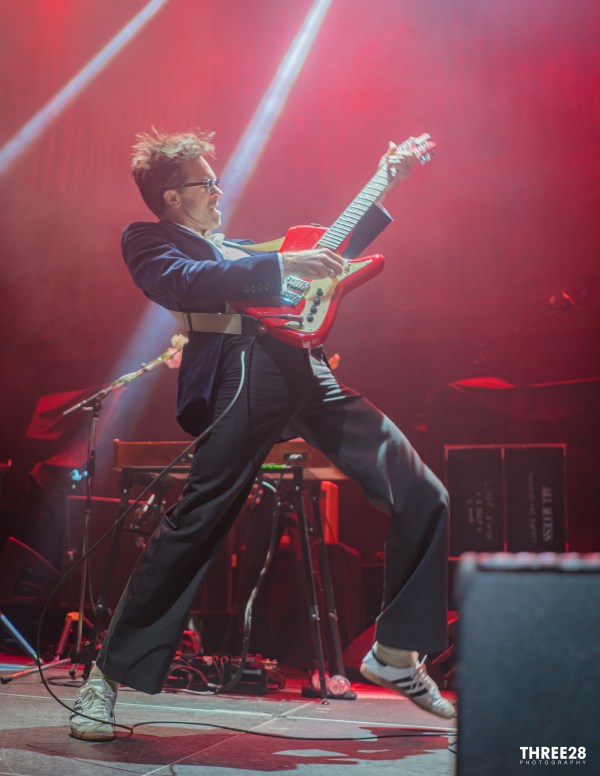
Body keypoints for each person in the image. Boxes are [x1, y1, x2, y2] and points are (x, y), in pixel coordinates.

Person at [69, 129, 454, 741]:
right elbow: (184, 282)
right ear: (173, 196)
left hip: (307, 371)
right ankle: (105, 679)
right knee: (199, 520)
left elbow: (329, 251)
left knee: (424, 493)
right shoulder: (149, 239)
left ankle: (397, 651)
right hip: (242, 372)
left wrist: (385, 180)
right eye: (206, 182)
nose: (218, 190)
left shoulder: (242, 247)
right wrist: (281, 265)